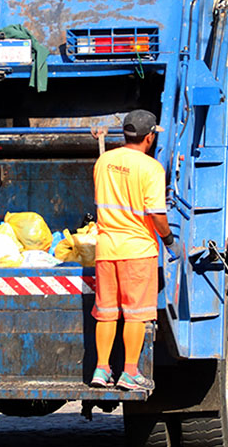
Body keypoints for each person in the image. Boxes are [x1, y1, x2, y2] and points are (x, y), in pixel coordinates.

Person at [90, 109, 182, 391]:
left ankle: (101, 369)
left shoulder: (104, 161)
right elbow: (156, 213)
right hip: (137, 250)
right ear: (150, 137)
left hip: (106, 248)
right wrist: (169, 240)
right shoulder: (151, 168)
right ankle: (129, 372)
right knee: (136, 314)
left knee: (105, 312)